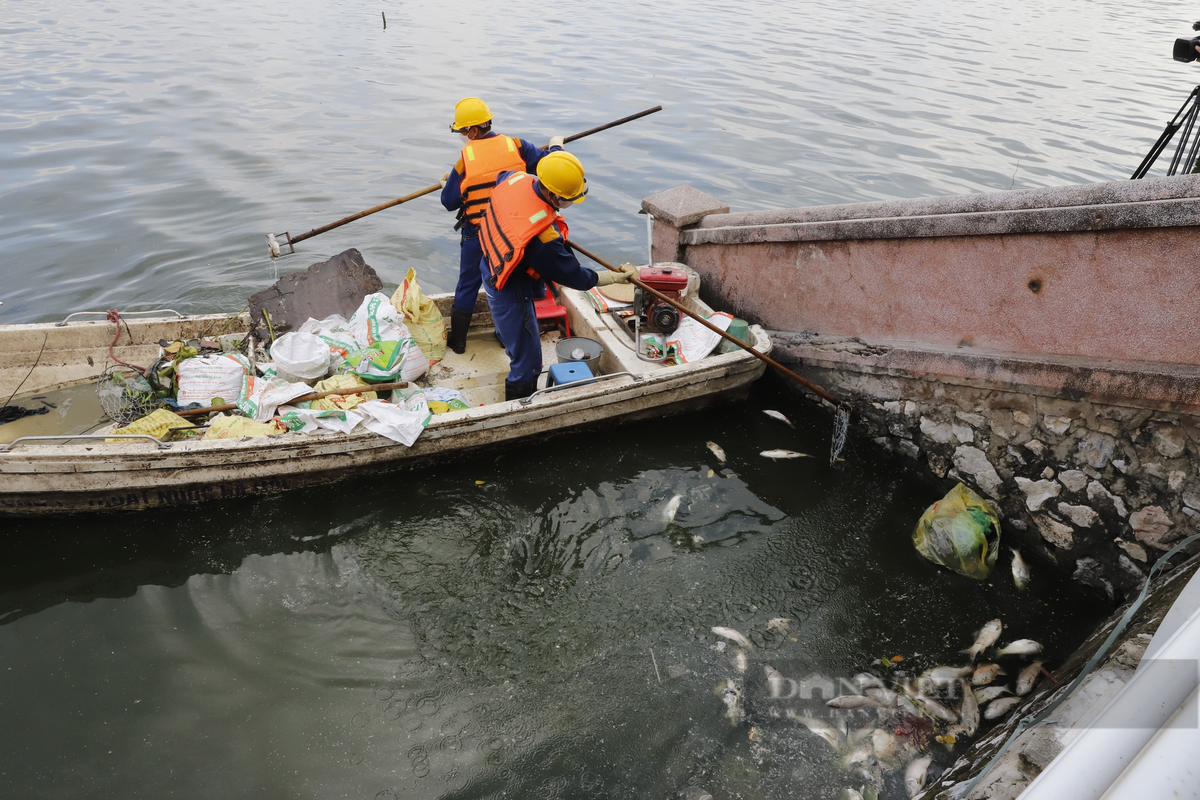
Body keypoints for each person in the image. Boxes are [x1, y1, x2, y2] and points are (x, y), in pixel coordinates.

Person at [478, 151, 636, 401]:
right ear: (552, 194)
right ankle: (519, 410)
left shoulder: (516, 178)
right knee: (528, 362)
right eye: (566, 199)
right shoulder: (543, 239)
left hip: (491, 262)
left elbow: (500, 176)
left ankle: (508, 339)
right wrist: (614, 278)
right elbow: (575, 277)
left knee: (515, 335)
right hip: (509, 286)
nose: (568, 203)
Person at [440, 97, 565, 354]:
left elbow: (449, 202)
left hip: (477, 233)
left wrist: (448, 183)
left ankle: (459, 343)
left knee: (467, 284)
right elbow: (549, 168)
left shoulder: (465, 159)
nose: (462, 136)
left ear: (473, 130)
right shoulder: (516, 145)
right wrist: (555, 148)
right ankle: (505, 336)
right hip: (512, 233)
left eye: (463, 131)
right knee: (508, 282)